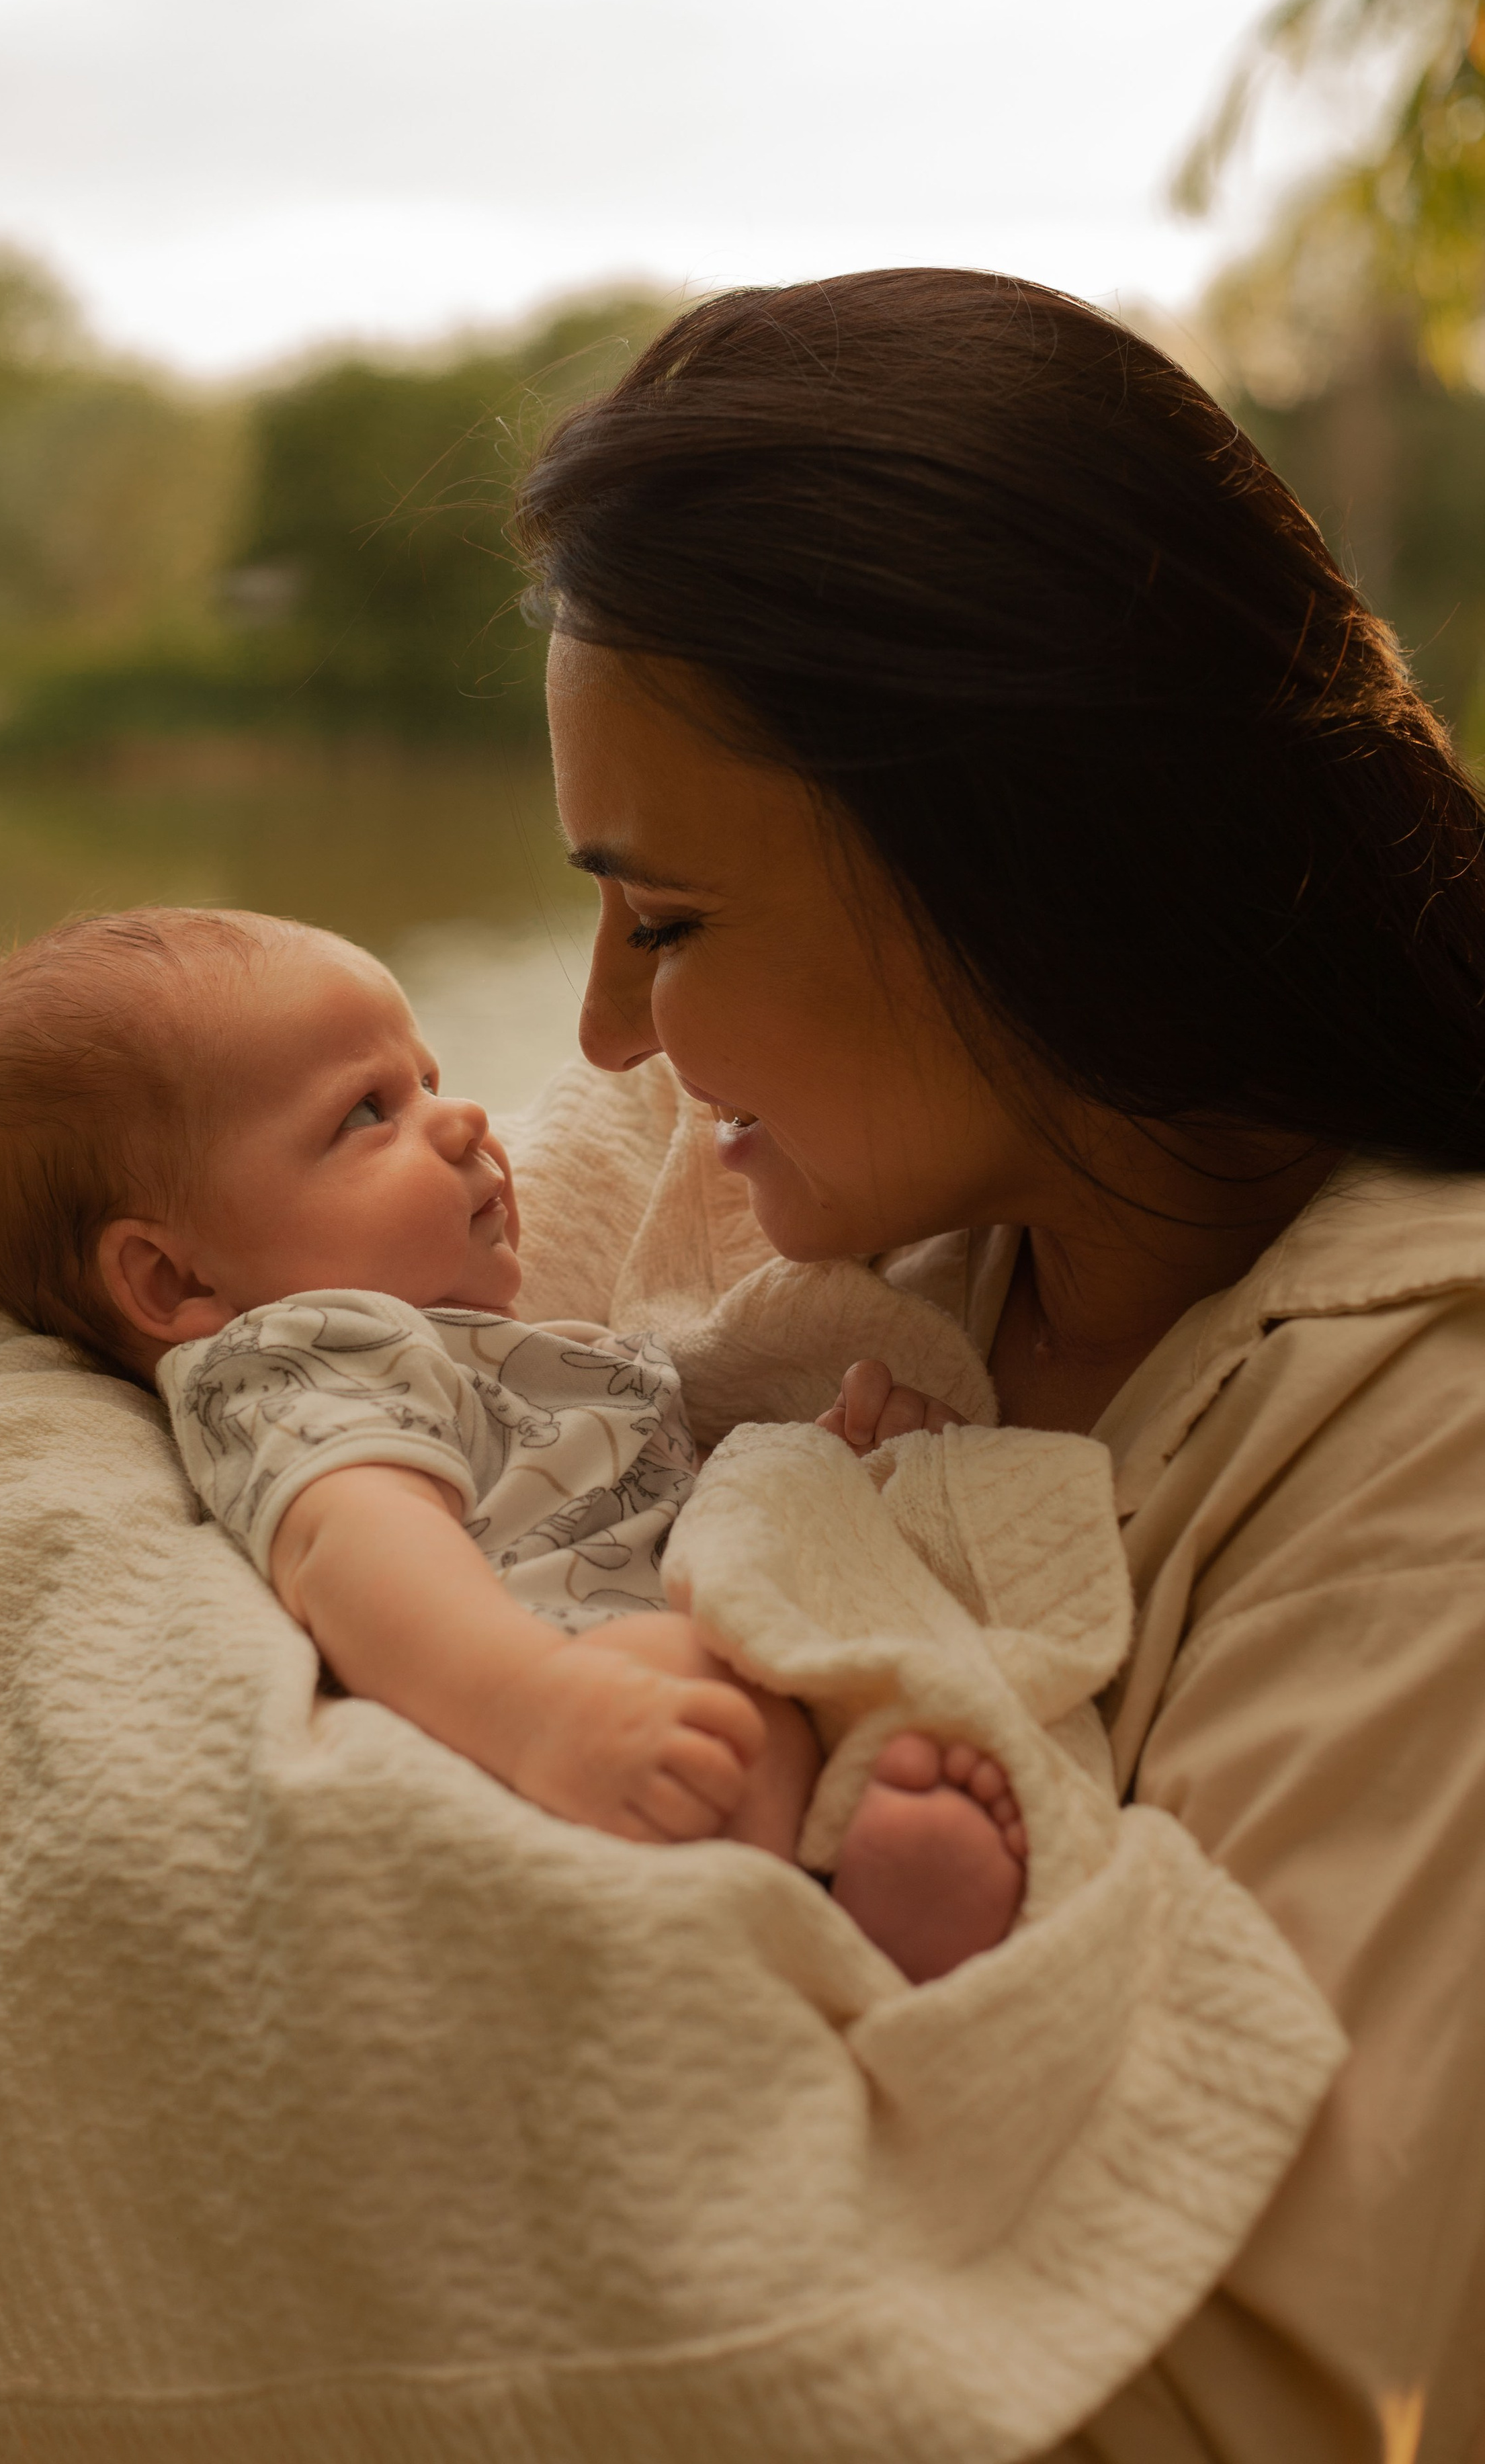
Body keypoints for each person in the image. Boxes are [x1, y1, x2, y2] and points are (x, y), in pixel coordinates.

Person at [502, 266, 1485, 2458]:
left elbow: (1230, 2396)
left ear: (1017, 866)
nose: (600, 1037)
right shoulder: (853, 1216)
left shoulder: (1434, 1448)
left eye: (663, 923)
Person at [0, 904, 1031, 1986]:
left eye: (430, 1083)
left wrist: (829, 1471)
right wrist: (537, 1707)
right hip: (531, 1702)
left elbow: (656, 1501)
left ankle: (835, 1901)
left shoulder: (475, 1348)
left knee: (764, 1652)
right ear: (178, 1281)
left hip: (622, 1691)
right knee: (704, 1684)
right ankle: (831, 1924)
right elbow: (359, 1551)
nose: (459, 1123)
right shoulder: (301, 1356)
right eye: (366, 1115)